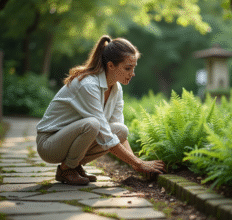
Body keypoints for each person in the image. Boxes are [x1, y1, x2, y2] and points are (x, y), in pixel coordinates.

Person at [36, 35, 166, 185]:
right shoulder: (88, 85)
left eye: (133, 68)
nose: (133, 73)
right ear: (111, 66)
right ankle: (67, 169)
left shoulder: (116, 88)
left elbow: (117, 135)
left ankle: (73, 166)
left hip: (67, 140)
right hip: (49, 144)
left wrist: (137, 165)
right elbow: (104, 134)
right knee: (93, 124)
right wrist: (137, 163)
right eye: (128, 68)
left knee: (121, 130)